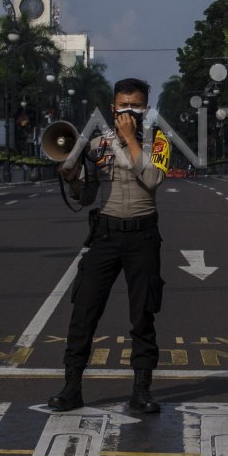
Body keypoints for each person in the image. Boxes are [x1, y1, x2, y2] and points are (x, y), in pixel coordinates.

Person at [48, 78, 170, 414]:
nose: (128, 112)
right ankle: (71, 388)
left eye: (135, 106)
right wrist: (72, 178)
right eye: (122, 106)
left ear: (145, 108)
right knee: (83, 311)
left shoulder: (159, 143)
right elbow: (85, 197)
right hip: (105, 235)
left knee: (142, 315)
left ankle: (141, 391)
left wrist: (130, 141)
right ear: (113, 107)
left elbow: (152, 180)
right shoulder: (98, 145)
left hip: (143, 236)